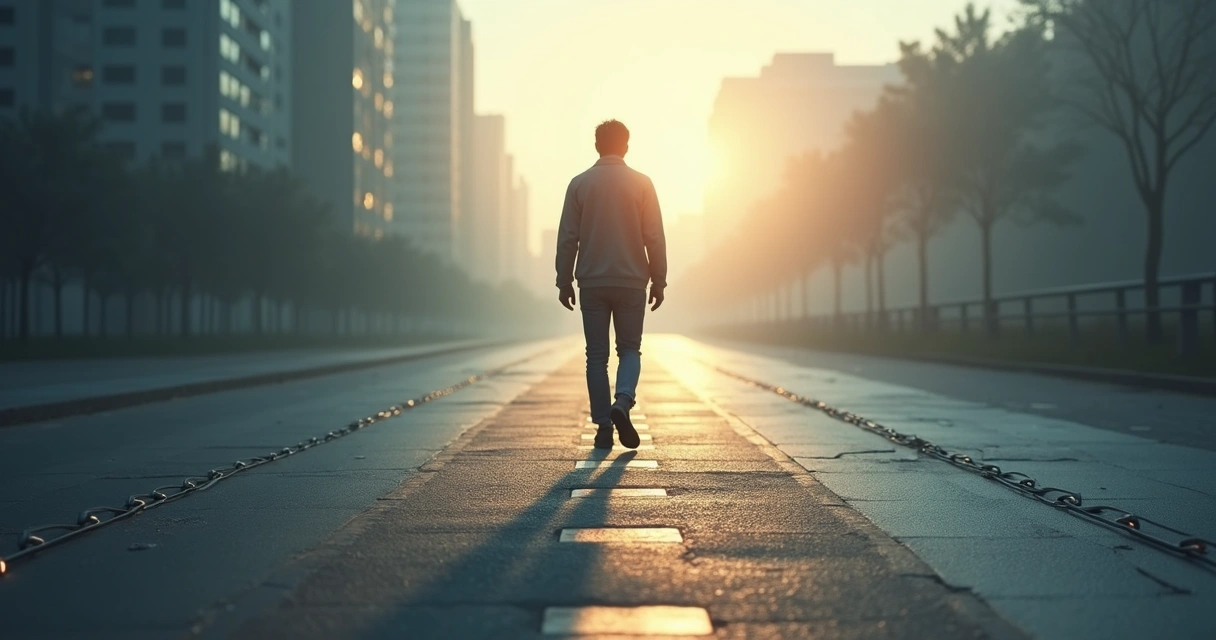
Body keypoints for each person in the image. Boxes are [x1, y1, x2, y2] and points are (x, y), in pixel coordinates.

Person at [555, 119, 667, 450]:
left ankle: (603, 426)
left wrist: (564, 281)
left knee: (596, 356)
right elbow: (655, 237)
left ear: (596, 146)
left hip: (591, 281)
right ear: (626, 146)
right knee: (630, 349)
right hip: (633, 280)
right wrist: (658, 280)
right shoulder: (642, 184)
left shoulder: (579, 184)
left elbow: (567, 239)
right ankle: (623, 401)